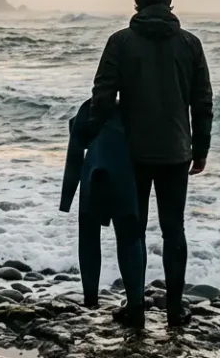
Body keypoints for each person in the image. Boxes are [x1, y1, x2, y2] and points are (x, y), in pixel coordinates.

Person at [91, 0, 213, 329]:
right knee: (174, 230)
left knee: (133, 230)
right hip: (177, 152)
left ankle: (135, 309)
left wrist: (99, 139)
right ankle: (175, 310)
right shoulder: (190, 44)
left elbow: (101, 95)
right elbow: (202, 101)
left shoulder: (120, 42)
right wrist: (200, 148)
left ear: (137, 0)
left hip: (132, 154)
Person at [59, 100, 146, 315]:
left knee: (88, 236)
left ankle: (90, 299)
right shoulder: (135, 111)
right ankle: (136, 302)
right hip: (124, 176)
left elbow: (74, 156)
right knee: (129, 237)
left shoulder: (89, 108)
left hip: (93, 174)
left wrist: (66, 199)